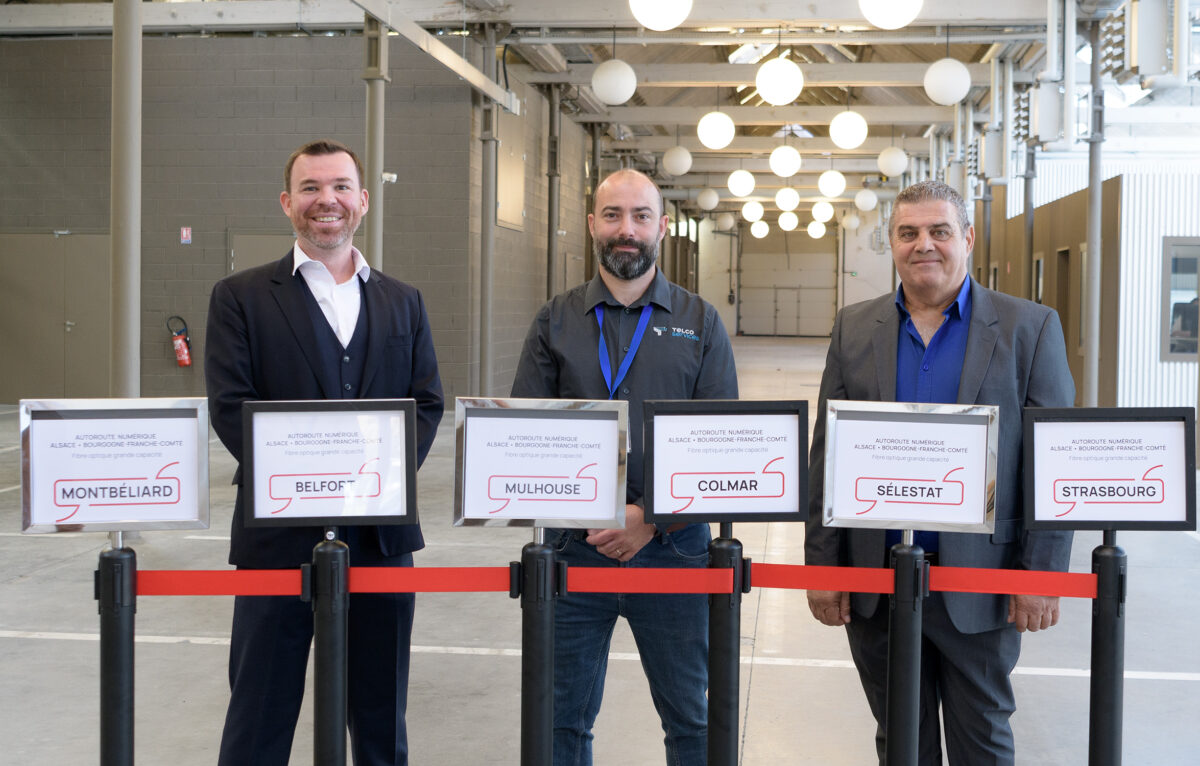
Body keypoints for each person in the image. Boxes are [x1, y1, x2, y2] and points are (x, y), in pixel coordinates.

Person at [804, 180, 1075, 765]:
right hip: (878, 582)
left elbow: (1054, 462)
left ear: (967, 239)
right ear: (893, 245)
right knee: (901, 741)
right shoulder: (855, 327)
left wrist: (1042, 574)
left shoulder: (1030, 329)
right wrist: (823, 565)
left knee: (983, 739)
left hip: (982, 584)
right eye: (909, 233)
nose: (923, 244)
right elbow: (827, 453)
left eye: (939, 231)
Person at [205, 139, 443, 766]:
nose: (325, 200)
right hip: (275, 538)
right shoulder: (241, 298)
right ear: (288, 203)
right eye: (310, 188)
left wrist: (373, 483)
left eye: (339, 186)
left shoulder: (403, 301)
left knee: (379, 713)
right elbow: (231, 406)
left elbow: (427, 404)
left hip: (381, 538)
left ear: (362, 201)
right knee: (260, 710)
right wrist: (311, 480)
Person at [510, 168, 738, 765]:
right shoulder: (554, 321)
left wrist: (648, 519)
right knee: (560, 721)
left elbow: (720, 442)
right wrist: (590, 515)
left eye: (640, 216)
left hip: (676, 551)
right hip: (573, 546)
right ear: (592, 225)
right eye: (612, 215)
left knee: (693, 721)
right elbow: (527, 436)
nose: (626, 230)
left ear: (662, 226)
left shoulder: (702, 322)